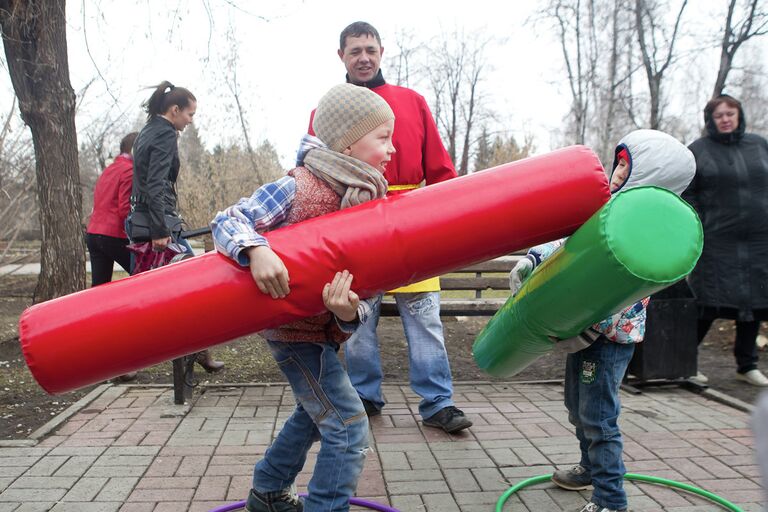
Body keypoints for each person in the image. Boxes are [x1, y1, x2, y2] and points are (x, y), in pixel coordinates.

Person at [212, 83, 394, 512]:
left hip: (328, 333)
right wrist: (256, 250)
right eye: (382, 137)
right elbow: (230, 218)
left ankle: (269, 491)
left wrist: (351, 312)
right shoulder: (299, 186)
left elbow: (369, 287)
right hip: (294, 335)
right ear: (350, 140)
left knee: (314, 415)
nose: (391, 150)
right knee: (348, 426)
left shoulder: (370, 201)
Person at [509, 130, 695, 512]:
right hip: (582, 331)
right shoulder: (605, 209)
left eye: (628, 166)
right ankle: (590, 469)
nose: (617, 172)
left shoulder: (647, 230)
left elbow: (624, 288)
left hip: (609, 338)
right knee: (576, 406)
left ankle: (611, 499)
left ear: (651, 176)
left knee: (598, 417)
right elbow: (569, 243)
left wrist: (585, 316)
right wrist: (532, 260)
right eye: (619, 163)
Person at [308, 21, 471, 433]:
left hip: (412, 226)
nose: (363, 58)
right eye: (354, 51)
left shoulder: (411, 102)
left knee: (425, 320)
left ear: (381, 52)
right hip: (355, 228)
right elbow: (313, 172)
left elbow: (441, 171)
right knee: (359, 324)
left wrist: (443, 224)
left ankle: (438, 402)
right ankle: (365, 395)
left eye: (370, 50)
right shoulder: (322, 113)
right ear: (341, 56)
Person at [129, 81, 224, 374]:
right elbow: (155, 182)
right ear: (174, 111)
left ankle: (195, 351)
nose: (191, 120)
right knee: (195, 284)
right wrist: (160, 229)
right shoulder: (165, 134)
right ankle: (194, 351)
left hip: (145, 218)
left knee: (152, 293)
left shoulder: (148, 130)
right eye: (190, 114)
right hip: (157, 222)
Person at [682, 94, 768, 387]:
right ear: (711, 120)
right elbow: (687, 191)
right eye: (719, 115)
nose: (726, 119)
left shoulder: (759, 145)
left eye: (730, 113)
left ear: (739, 115)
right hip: (716, 240)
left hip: (759, 239)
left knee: (754, 301)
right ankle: (684, 362)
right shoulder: (698, 150)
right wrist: (699, 223)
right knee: (708, 301)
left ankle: (747, 365)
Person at [86, 132, 138, 286]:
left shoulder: (109, 170)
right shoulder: (129, 171)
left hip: (93, 234)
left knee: (99, 288)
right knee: (143, 275)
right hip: (113, 235)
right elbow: (125, 210)